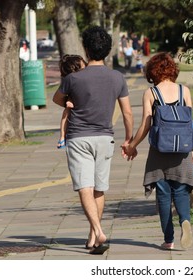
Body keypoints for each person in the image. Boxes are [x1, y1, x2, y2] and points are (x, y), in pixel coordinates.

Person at [52, 26, 134, 254]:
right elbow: (127, 113)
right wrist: (129, 140)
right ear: (107, 50)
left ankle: (97, 231)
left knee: (84, 186)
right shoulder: (117, 77)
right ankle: (93, 237)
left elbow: (57, 99)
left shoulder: (73, 78)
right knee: (99, 188)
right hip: (105, 138)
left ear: (86, 49)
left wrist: (70, 102)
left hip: (79, 137)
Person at [122, 52, 193, 250]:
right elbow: (190, 124)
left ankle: (168, 239)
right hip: (182, 151)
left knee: (163, 194)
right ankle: (185, 221)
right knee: (181, 190)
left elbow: (146, 124)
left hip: (159, 151)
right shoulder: (185, 91)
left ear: (152, 72)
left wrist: (132, 146)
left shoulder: (151, 93)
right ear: (172, 70)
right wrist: (192, 150)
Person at [56, 54, 87, 149]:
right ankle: (62, 136)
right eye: (83, 67)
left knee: (66, 112)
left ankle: (62, 137)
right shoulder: (72, 80)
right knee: (66, 112)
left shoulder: (71, 80)